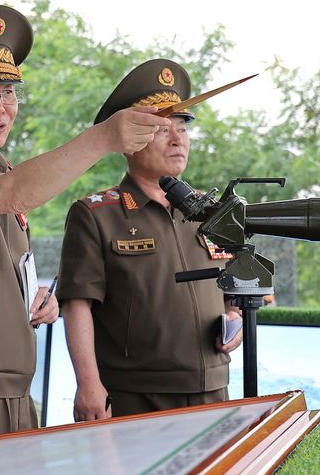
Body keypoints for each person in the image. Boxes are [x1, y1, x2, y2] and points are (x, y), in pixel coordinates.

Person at [0, 4, 171, 451]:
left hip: (12, 389)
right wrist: (102, 138)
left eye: (8, 92)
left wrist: (33, 299)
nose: (0, 107)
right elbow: (16, 193)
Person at [59, 59, 242, 421]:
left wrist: (235, 317)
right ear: (129, 144)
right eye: (161, 130)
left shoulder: (214, 211)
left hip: (213, 388)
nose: (177, 139)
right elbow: (77, 304)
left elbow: (238, 288)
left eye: (183, 129)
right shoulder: (97, 214)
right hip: (134, 394)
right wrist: (88, 384)